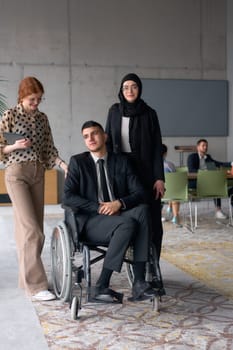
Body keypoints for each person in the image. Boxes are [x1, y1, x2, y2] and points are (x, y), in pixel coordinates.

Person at [63, 120, 157, 302]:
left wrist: (119, 203)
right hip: (92, 220)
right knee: (127, 224)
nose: (90, 139)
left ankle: (139, 283)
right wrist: (98, 207)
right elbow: (68, 197)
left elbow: (140, 192)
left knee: (143, 211)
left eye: (95, 134)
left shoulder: (121, 161)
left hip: (119, 212)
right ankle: (101, 285)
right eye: (86, 136)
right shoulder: (78, 162)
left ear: (105, 136)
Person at [0, 77, 68, 301]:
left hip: (38, 174)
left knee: (29, 230)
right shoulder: (10, 115)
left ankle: (25, 280)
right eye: (32, 99)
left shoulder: (42, 118)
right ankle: (37, 286)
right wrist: (14, 145)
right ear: (22, 96)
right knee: (33, 231)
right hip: (16, 174)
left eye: (39, 99)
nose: (36, 103)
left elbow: (48, 148)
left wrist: (63, 164)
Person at [105, 73, 165, 260]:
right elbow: (107, 141)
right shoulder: (114, 111)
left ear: (139, 89)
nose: (130, 91)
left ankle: (153, 265)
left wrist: (159, 178)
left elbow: (156, 148)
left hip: (146, 172)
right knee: (128, 215)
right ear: (121, 91)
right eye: (126, 87)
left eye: (134, 87)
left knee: (153, 219)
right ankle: (133, 259)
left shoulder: (150, 113)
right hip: (120, 172)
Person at [187, 138, 233, 219]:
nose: (205, 147)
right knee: (214, 183)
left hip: (208, 181)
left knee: (216, 184)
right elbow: (191, 170)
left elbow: (218, 163)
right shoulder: (192, 157)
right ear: (198, 147)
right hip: (196, 181)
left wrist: (231, 163)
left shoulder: (208, 157)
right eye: (203, 145)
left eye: (206, 146)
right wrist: (205, 173)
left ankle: (218, 211)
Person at [162, 144, 180, 225]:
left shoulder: (150, 166)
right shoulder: (169, 165)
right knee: (175, 192)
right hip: (171, 191)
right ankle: (176, 216)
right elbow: (175, 178)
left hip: (158, 193)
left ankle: (160, 214)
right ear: (165, 153)